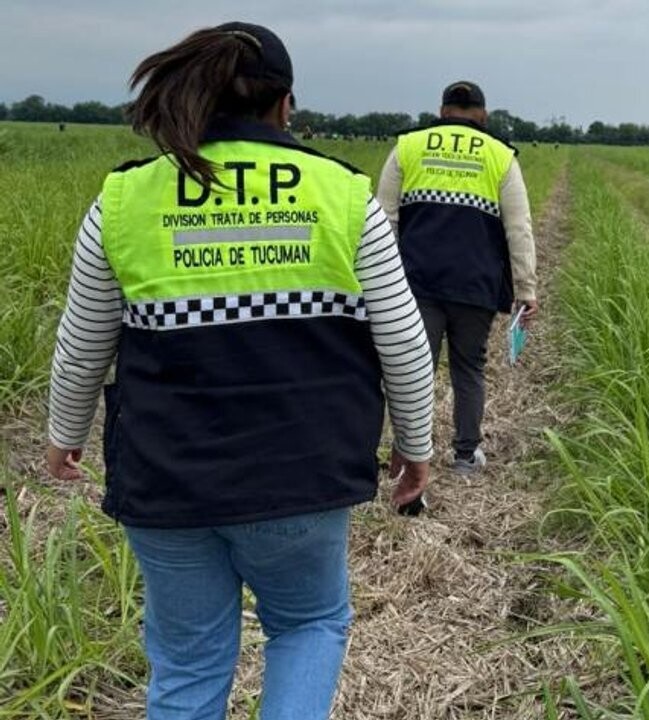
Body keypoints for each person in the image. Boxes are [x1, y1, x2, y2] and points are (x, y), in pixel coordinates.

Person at [44, 22, 434, 720]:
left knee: (188, 663)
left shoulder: (124, 199)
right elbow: (403, 341)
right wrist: (415, 447)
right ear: (285, 105)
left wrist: (63, 435)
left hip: (167, 479)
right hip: (302, 475)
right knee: (308, 624)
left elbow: (82, 345)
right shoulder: (344, 195)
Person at [377, 81, 538, 474]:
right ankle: (465, 455)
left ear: (443, 111)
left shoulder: (408, 147)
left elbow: (384, 218)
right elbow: (519, 228)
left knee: (414, 369)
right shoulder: (500, 155)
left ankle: (406, 456)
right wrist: (526, 289)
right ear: (483, 114)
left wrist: (381, 282)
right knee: (469, 368)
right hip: (476, 285)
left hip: (416, 283)